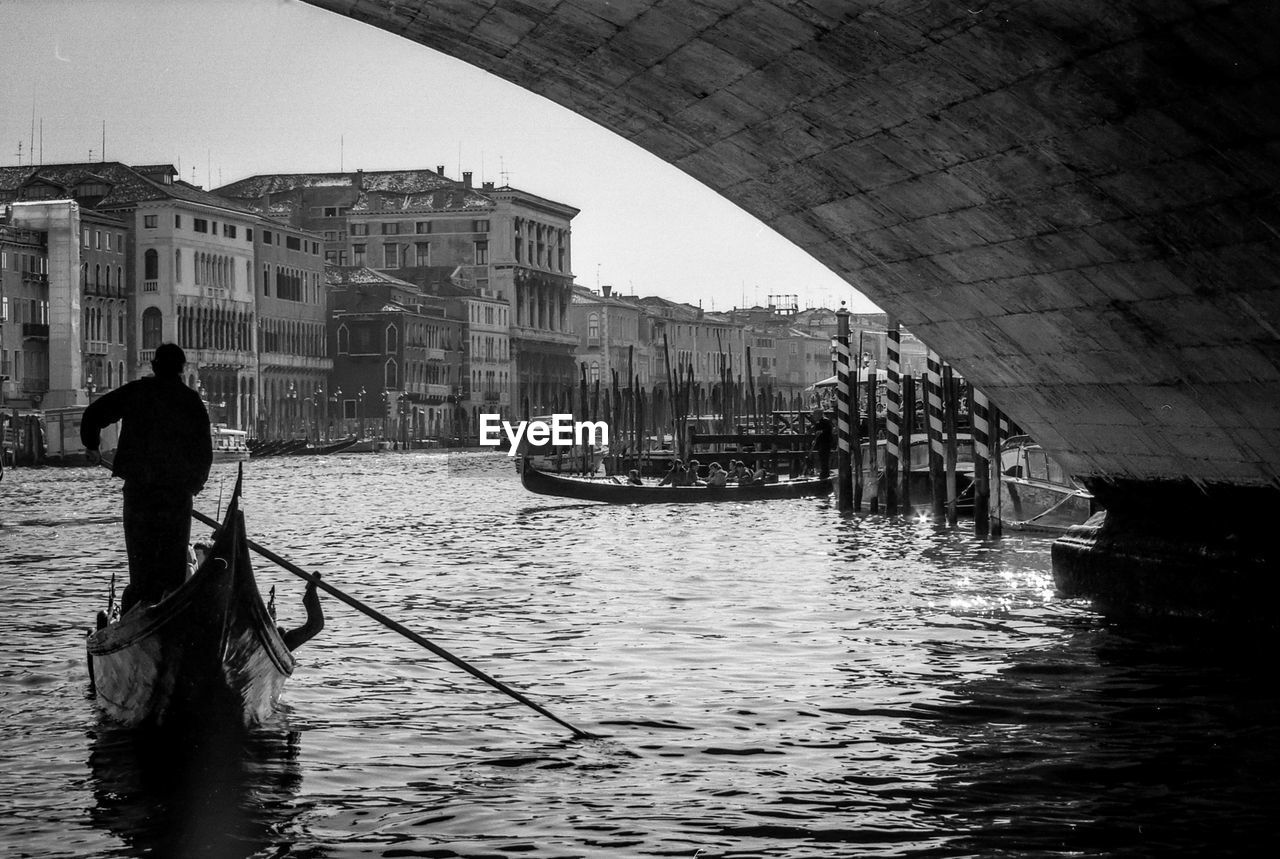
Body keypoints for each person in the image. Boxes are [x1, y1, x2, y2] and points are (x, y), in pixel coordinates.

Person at [81, 343, 213, 613]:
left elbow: (93, 414)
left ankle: (141, 607)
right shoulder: (190, 401)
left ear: (154, 367)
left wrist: (92, 445)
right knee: (173, 569)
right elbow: (204, 451)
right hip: (177, 495)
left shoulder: (137, 393)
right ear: (181, 369)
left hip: (140, 491)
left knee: (141, 565)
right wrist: (196, 484)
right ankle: (167, 608)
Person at [280, 575, 325, 651]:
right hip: (287, 642)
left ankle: (310, 592)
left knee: (317, 625)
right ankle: (310, 593)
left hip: (286, 641)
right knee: (317, 625)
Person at [810, 406, 833, 480]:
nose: (813, 416)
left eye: (814, 414)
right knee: (821, 458)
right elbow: (816, 432)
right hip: (820, 443)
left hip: (826, 443)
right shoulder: (817, 423)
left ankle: (825, 473)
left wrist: (822, 431)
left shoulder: (826, 421)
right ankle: (823, 472)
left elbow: (829, 430)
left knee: (825, 458)